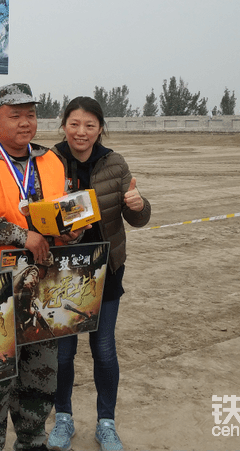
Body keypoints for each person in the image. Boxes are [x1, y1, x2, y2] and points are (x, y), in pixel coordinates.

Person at [0, 83, 85, 451]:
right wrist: (22, 235)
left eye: (30, 114)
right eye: (15, 115)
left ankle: (32, 439)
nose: (25, 122)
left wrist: (71, 232)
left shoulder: (51, 161)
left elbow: (61, 216)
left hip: (43, 293)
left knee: (40, 377)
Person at [46, 96, 151, 451]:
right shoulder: (48, 162)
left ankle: (106, 422)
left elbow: (137, 217)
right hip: (61, 275)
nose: (81, 131)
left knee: (104, 350)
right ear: (64, 126)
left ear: (100, 128)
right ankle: (63, 418)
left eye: (90, 125)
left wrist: (139, 205)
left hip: (106, 271)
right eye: (74, 124)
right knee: (62, 354)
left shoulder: (115, 163)